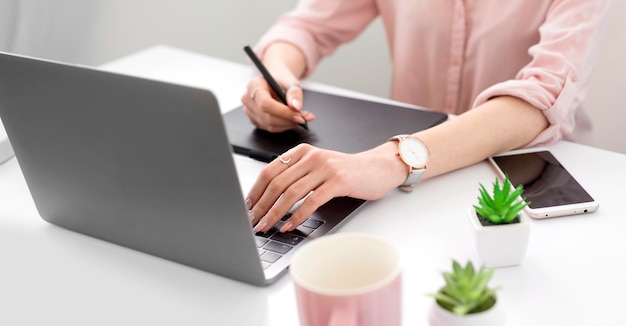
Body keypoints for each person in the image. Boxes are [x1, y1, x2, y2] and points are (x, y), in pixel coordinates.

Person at [240, 0, 611, 234]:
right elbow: (306, 26)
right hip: (409, 188)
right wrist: (275, 76)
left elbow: (543, 96)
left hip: (535, 178)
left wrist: (393, 160)